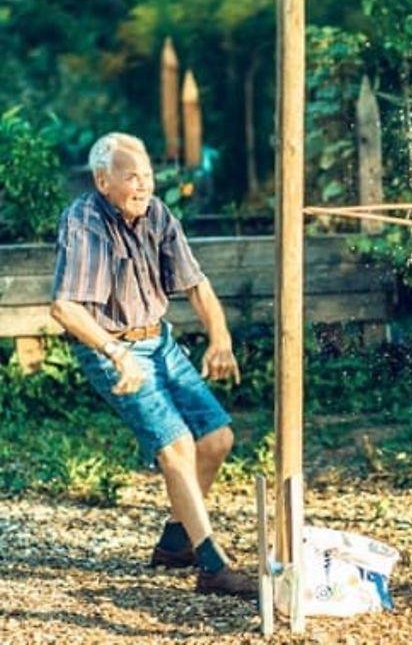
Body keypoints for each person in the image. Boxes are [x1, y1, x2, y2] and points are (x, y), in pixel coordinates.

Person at [49, 132, 255, 599]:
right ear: (103, 181)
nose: (143, 186)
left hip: (159, 341)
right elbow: (64, 308)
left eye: (148, 176)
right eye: (131, 177)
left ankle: (177, 541)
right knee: (176, 447)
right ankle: (212, 566)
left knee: (217, 439)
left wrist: (220, 339)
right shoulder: (84, 221)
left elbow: (197, 286)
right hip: (110, 348)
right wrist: (116, 352)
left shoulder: (158, 213)